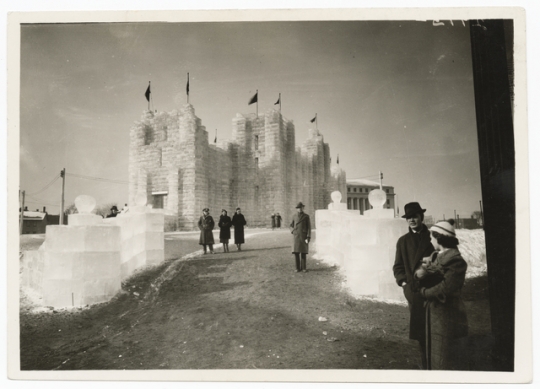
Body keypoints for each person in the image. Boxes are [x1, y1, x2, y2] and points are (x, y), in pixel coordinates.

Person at [415, 219, 468, 370]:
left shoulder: (457, 261)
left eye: (432, 237)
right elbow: (419, 274)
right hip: (434, 312)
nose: (430, 240)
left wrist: (424, 292)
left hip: (449, 313)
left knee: (446, 355)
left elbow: (446, 287)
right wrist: (420, 274)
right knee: (434, 352)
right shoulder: (435, 257)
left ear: (439, 238)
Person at [393, 202, 435, 370]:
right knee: (421, 334)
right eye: (409, 218)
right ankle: (426, 368)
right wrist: (405, 285)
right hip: (414, 292)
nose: (412, 220)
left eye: (415, 217)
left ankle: (435, 366)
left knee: (435, 331)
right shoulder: (402, 241)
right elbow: (398, 267)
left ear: (421, 218)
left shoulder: (433, 237)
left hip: (433, 291)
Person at [290, 202, 311, 273]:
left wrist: (308, 236)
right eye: (298, 208)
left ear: (303, 208)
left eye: (301, 208)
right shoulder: (294, 216)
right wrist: (292, 231)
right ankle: (297, 268)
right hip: (296, 236)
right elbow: (291, 225)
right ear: (297, 209)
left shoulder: (306, 216)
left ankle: (304, 268)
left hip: (303, 236)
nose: (300, 209)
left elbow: (309, 227)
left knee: (303, 252)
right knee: (296, 252)